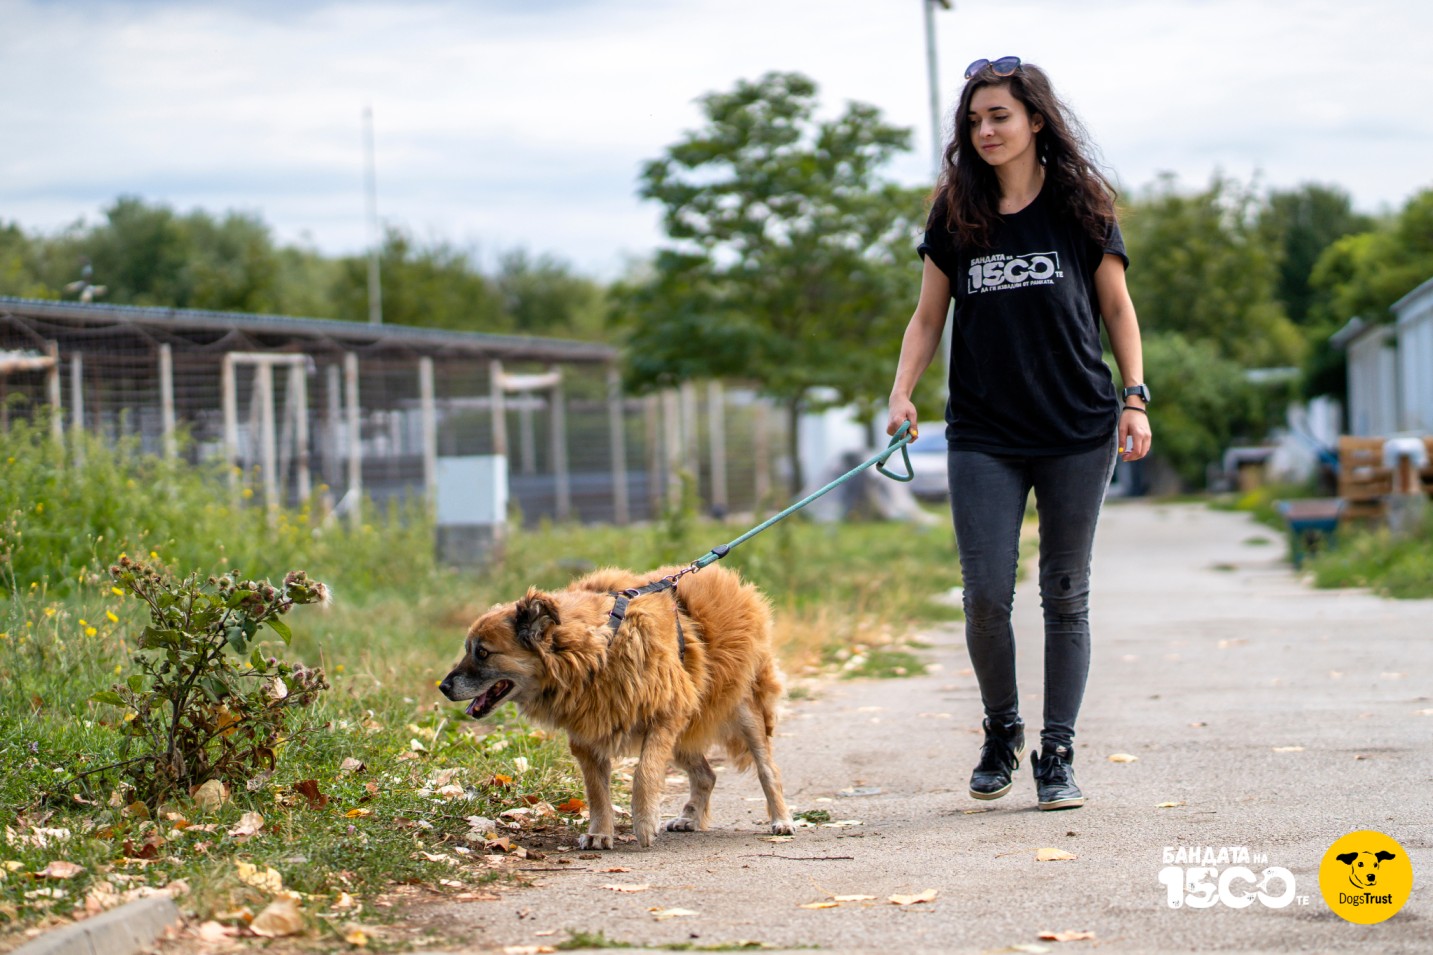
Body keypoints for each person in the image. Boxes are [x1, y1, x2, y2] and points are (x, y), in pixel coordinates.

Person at [885, 56, 1151, 811]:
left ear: (1035, 119)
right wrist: (901, 393)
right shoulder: (955, 212)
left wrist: (1134, 398)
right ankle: (1001, 728)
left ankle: (1056, 752)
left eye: (998, 115)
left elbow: (1117, 307)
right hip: (983, 432)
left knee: (1065, 592)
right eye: (974, 120)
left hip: (1076, 425)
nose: (985, 131)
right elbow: (928, 317)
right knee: (984, 595)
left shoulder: (1080, 204)